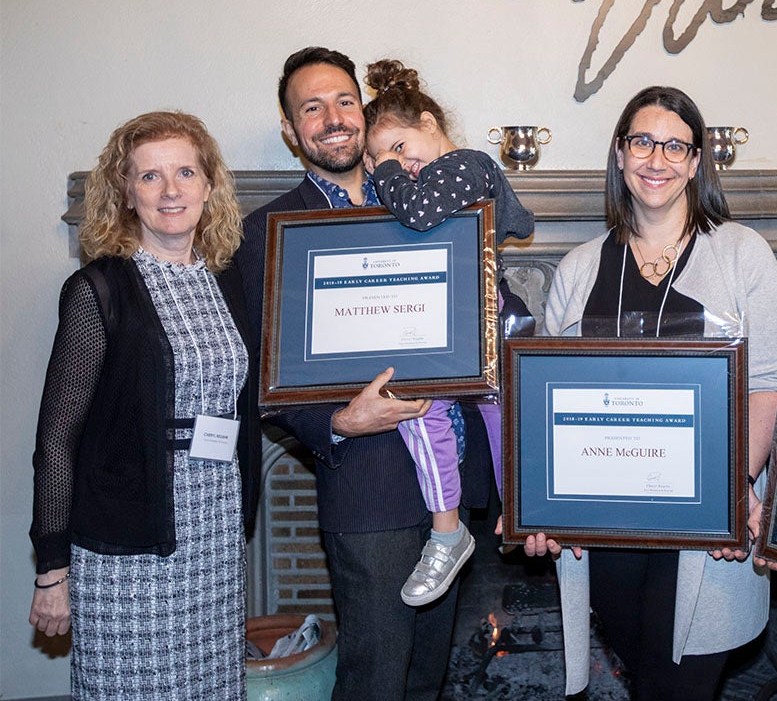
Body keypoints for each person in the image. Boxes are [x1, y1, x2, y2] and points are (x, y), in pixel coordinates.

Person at [231, 47, 497, 701]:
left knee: (427, 681)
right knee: (375, 681)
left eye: (344, 101)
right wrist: (341, 422)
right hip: (368, 491)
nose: (333, 118)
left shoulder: (424, 197)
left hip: (455, 484)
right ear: (291, 129)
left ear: (363, 109)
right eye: (311, 108)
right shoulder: (268, 233)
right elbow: (263, 377)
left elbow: (484, 304)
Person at [534, 86, 777, 700]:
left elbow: (768, 385)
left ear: (697, 161)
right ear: (620, 154)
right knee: (649, 679)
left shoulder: (742, 255)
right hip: (606, 532)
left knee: (681, 687)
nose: (657, 159)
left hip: (706, 533)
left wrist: (732, 487)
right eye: (643, 142)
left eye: (676, 146)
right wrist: (540, 506)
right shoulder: (578, 267)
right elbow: (545, 400)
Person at [28, 111, 260, 700]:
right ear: (126, 193)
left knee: (210, 686)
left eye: (185, 172)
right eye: (150, 176)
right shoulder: (99, 289)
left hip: (216, 531)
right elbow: (57, 437)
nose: (170, 190)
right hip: (130, 539)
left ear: (209, 185)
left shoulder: (227, 280)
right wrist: (52, 567)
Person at [361, 58, 535, 607]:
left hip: (476, 315)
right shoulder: (419, 184)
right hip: (433, 320)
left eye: (401, 147)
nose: (398, 165)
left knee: (500, 413)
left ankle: (520, 509)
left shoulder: (467, 165)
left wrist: (385, 170)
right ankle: (451, 529)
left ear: (430, 124)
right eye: (381, 158)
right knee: (421, 413)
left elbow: (418, 212)